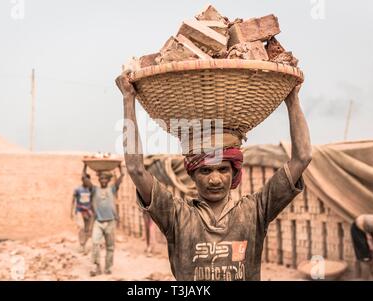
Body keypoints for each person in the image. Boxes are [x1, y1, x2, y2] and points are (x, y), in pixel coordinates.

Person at [116, 71, 312, 281]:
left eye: (223, 169)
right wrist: (128, 99)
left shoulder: (255, 211)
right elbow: (136, 169)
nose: (215, 179)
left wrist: (292, 100)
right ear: (192, 174)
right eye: (205, 170)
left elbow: (302, 157)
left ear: (235, 171)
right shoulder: (177, 216)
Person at [90, 166, 124, 276]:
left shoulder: (112, 189)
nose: (103, 180)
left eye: (105, 178)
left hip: (110, 222)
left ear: (108, 180)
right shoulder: (95, 189)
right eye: (101, 178)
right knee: (95, 243)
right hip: (98, 222)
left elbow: (120, 179)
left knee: (110, 246)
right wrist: (85, 165)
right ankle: (96, 266)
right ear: (99, 180)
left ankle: (108, 268)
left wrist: (120, 169)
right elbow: (84, 179)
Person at [71, 173, 94, 254]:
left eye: (88, 180)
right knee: (81, 227)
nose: (86, 181)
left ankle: (84, 245)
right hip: (80, 211)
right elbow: (73, 200)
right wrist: (71, 212)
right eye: (85, 179)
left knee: (87, 230)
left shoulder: (90, 189)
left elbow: (92, 201)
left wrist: (93, 211)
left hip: (88, 212)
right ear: (82, 180)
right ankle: (81, 244)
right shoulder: (78, 189)